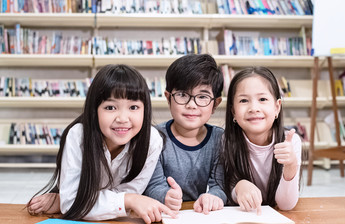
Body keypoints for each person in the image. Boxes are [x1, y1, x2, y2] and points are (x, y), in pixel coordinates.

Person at [27, 64, 176, 223]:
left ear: (145, 110)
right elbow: (73, 202)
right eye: (110, 107)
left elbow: (128, 196)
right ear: (94, 110)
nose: (123, 118)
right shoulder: (78, 137)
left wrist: (76, 202)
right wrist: (128, 200)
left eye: (133, 107)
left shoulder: (152, 140)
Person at [144, 54, 227, 214]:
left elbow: (220, 185)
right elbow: (153, 186)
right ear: (168, 98)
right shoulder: (155, 137)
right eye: (182, 95)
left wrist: (213, 197)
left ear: (215, 104)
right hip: (166, 214)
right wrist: (166, 195)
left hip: (202, 215)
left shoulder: (219, 138)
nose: (191, 105)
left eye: (202, 97)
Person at [221, 66, 301, 214]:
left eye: (262, 99)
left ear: (277, 107)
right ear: (233, 111)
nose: (254, 108)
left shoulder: (290, 142)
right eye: (244, 100)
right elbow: (226, 189)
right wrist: (239, 186)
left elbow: (286, 205)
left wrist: (291, 165)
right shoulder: (225, 140)